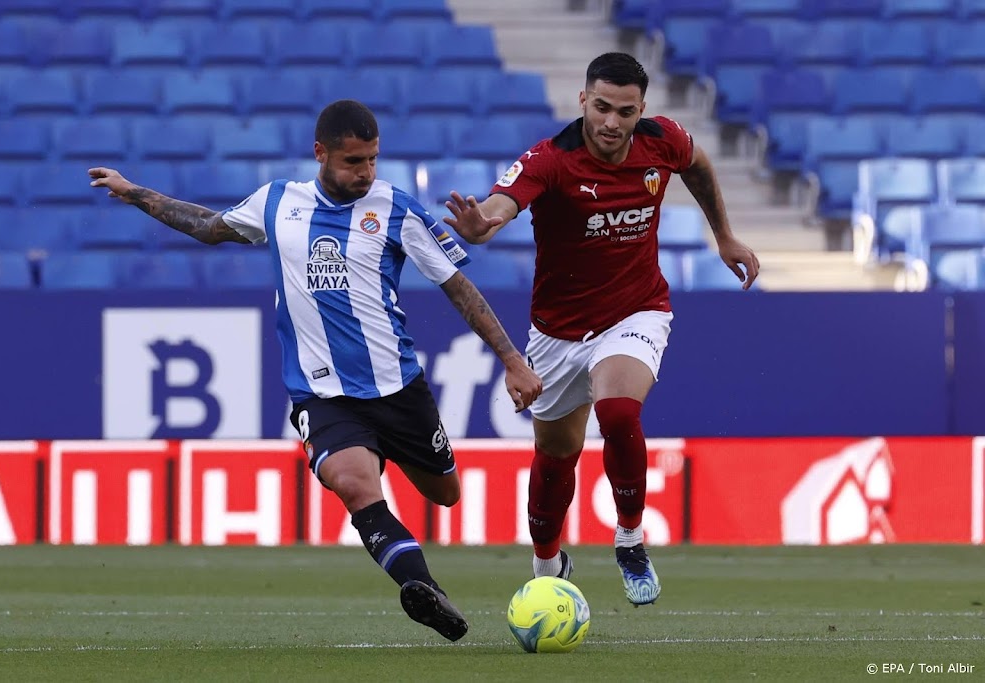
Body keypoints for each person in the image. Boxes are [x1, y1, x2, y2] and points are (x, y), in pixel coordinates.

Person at [88, 99, 543, 641]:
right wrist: (133, 191)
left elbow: (457, 287)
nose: (365, 172)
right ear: (321, 153)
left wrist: (512, 361)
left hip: (397, 388)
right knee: (355, 486)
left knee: (445, 494)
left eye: (373, 160)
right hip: (321, 394)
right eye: (354, 161)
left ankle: (399, 477)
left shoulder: (396, 209)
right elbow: (209, 227)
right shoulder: (278, 202)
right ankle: (425, 590)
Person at [444, 53, 759, 606]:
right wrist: (484, 225)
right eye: (603, 107)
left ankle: (631, 538)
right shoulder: (551, 158)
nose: (612, 122)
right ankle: (547, 563)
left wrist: (724, 236)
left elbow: (700, 167)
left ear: (643, 110)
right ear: (584, 100)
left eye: (626, 111)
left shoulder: (664, 140)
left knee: (618, 411)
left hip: (635, 310)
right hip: (559, 332)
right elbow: (503, 202)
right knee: (554, 459)